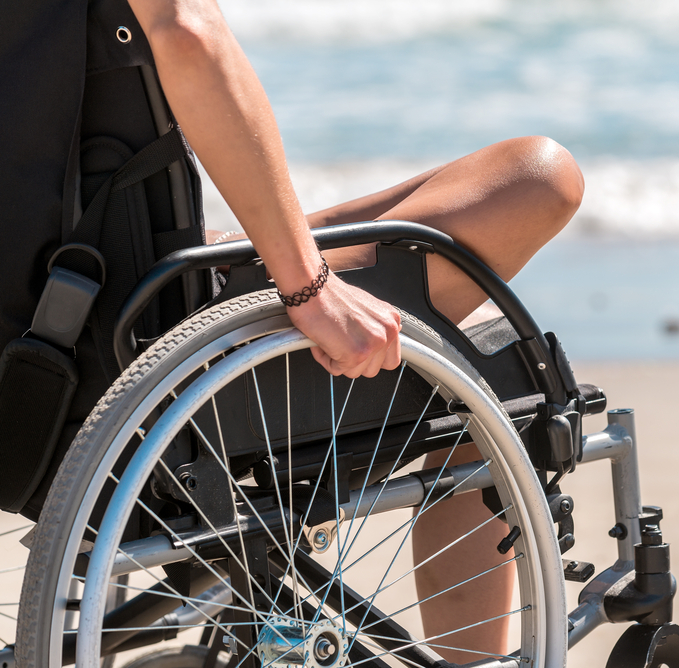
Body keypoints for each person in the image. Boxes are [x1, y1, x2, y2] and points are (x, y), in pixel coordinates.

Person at [127, 0, 584, 661]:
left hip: (44, 340)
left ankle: (262, 246)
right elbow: (187, 31)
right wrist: (307, 288)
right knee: (540, 178)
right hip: (157, 343)